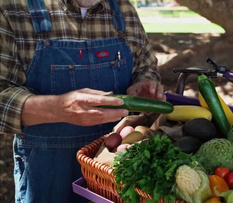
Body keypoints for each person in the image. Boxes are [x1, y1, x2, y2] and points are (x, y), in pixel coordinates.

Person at [0, 0, 165, 202]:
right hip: (47, 175)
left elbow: (146, 68)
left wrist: (145, 82)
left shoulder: (124, 10)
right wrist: (58, 108)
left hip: (115, 176)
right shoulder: (13, 9)